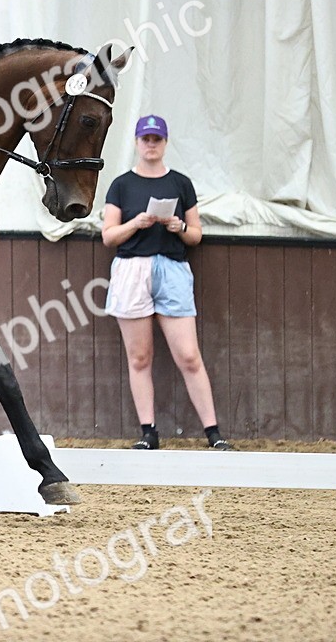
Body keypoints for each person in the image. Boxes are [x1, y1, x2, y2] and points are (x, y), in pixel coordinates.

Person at [101, 115, 233, 451]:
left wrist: (178, 228)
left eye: (156, 139)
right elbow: (109, 235)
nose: (150, 144)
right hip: (132, 269)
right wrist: (137, 223)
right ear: (136, 142)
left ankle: (213, 433)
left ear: (165, 142)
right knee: (140, 357)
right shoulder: (120, 185)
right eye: (145, 138)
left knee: (189, 355)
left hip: (172, 268)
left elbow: (196, 235)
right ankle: (149, 432)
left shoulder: (181, 183)